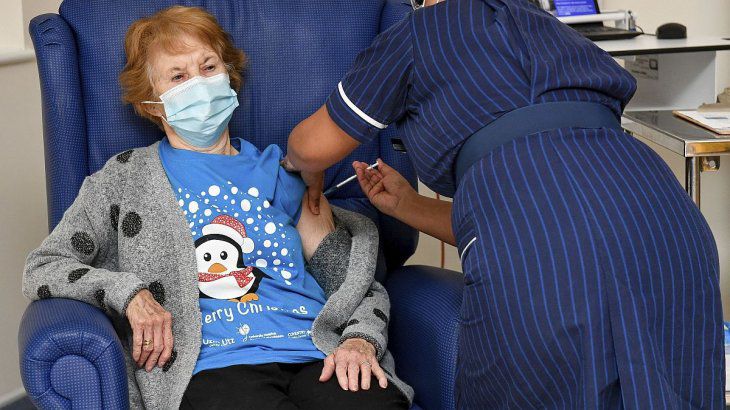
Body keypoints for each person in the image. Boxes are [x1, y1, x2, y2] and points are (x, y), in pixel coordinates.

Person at [284, 0, 724, 408]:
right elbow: (559, 207)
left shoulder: (418, 34)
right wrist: (408, 205)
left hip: (542, 248)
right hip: (664, 219)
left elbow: (310, 146)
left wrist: (305, 169)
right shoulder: (552, 29)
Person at [22, 6, 412, 409]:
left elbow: (351, 282)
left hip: (317, 352)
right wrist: (130, 295)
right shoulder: (124, 179)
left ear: (229, 75)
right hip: (215, 365)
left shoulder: (282, 172)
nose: (199, 84)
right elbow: (44, 267)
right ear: (152, 102)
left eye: (208, 67)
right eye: (178, 76)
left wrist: (360, 340)